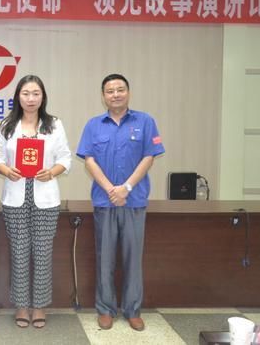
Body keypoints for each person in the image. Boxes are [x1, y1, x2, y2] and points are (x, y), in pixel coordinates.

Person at [76, 73, 164, 332]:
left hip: (133, 201)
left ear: (128, 92)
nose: (115, 94)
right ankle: (105, 309)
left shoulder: (145, 121)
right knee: (105, 258)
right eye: (110, 91)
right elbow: (89, 160)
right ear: (103, 96)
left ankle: (132, 310)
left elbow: (149, 156)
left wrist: (126, 188)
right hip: (104, 202)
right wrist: (110, 189)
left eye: (120, 89)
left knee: (133, 258)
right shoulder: (94, 125)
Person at [0, 75, 71, 329]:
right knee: (19, 252)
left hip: (45, 197)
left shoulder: (54, 124)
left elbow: (65, 157)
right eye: (26, 93)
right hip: (15, 196)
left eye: (36, 93)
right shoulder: (7, 124)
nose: (30, 98)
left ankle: (39, 306)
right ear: (18, 96)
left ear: (43, 97)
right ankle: (21, 305)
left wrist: (52, 172)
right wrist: (7, 171)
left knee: (42, 252)